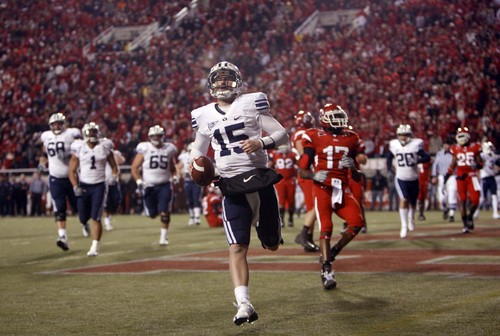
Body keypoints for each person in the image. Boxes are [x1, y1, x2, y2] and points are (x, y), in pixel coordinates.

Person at [189, 61, 288, 325]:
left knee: (272, 245)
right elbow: (198, 151)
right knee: (237, 247)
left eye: (227, 79)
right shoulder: (203, 115)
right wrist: (196, 167)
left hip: (259, 181)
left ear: (237, 82)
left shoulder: (251, 103)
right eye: (218, 80)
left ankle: (272, 233)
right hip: (231, 185)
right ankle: (244, 304)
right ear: (210, 84)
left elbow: (282, 134)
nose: (222, 84)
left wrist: (261, 141)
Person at [298, 103, 365, 290]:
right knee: (326, 227)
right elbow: (302, 171)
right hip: (323, 188)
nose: (339, 121)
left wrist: (353, 165)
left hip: (342, 188)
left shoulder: (351, 138)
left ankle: (333, 251)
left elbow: (358, 176)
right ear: (324, 119)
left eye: (340, 116)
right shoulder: (314, 136)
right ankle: (326, 270)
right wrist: (313, 175)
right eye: (334, 117)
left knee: (357, 222)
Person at [69, 122, 118, 256]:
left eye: (94, 132)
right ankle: (84, 224)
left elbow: (114, 166)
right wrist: (75, 186)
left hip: (99, 185)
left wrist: (114, 176)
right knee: (83, 216)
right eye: (90, 132)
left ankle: (95, 245)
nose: (92, 135)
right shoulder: (79, 147)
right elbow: (71, 171)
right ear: (85, 134)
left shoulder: (104, 146)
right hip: (84, 185)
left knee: (96, 216)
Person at [131, 125, 178, 246]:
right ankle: (153, 213)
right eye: (154, 135)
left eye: (159, 135)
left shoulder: (169, 148)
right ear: (150, 137)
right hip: (149, 186)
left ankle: (163, 237)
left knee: (165, 211)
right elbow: (134, 168)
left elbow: (173, 168)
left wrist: (175, 176)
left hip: (165, 185)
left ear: (162, 136)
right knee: (152, 214)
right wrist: (139, 181)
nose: (157, 138)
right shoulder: (144, 148)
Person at [40, 113, 81, 251]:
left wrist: (70, 154)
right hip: (55, 177)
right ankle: (62, 237)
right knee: (59, 207)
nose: (57, 126)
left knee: (78, 207)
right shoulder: (46, 136)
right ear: (50, 125)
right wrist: (42, 162)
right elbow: (44, 153)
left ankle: (84, 224)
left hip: (71, 177)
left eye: (59, 123)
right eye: (54, 124)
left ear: (63, 124)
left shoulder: (71, 134)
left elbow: (81, 149)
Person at [387, 124, 430, 238]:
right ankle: (404, 225)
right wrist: (389, 169)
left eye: (405, 135)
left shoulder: (416, 144)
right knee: (404, 199)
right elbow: (389, 158)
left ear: (410, 135)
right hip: (401, 178)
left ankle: (411, 218)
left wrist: (417, 161)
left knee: (413, 202)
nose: (403, 137)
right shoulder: (394, 145)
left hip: (414, 178)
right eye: (401, 135)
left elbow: (427, 157)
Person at [444, 127, 483, 233]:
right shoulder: (455, 149)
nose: (461, 138)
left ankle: (470, 216)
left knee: (475, 200)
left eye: (463, 136)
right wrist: (447, 176)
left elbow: (481, 163)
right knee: (462, 200)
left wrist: (477, 166)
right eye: (459, 136)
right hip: (460, 178)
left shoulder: (475, 147)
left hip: (472, 176)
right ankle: (465, 224)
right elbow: (453, 164)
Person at [291, 110, 319, 252]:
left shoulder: (301, 133)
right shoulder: (301, 134)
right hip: (307, 173)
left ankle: (308, 238)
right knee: (316, 206)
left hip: (307, 173)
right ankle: (304, 235)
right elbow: (304, 155)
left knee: (312, 207)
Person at [269, 144, 297, 227]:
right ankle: (281, 220)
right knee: (281, 199)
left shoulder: (293, 154)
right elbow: (270, 165)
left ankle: (290, 218)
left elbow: (299, 164)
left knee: (291, 199)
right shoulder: (274, 154)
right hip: (280, 180)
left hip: (291, 179)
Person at [431, 137, 457, 222]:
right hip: (442, 176)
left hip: (452, 177)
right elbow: (435, 165)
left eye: (449, 144)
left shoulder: (455, 153)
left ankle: (452, 215)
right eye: (446, 144)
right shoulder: (439, 153)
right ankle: (445, 209)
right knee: (441, 198)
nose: (447, 146)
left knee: (452, 194)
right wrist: (434, 176)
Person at [176, 143, 203, 225]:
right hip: (187, 180)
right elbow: (178, 167)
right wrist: (180, 174)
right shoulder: (184, 156)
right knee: (189, 200)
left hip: (196, 180)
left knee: (196, 199)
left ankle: (197, 217)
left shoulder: (200, 156)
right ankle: (192, 217)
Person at [103, 150, 126, 231]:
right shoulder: (99, 153)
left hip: (114, 181)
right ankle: (107, 222)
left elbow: (122, 160)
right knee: (106, 203)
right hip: (104, 182)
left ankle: (109, 217)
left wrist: (115, 155)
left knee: (116, 200)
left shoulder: (114, 153)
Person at [478, 141, 500, 219]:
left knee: (494, 196)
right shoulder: (482, 155)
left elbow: (497, 157)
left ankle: (495, 213)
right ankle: (476, 212)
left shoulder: (493, 155)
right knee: (482, 198)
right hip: (484, 178)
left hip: (491, 177)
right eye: (490, 148)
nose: (492, 149)